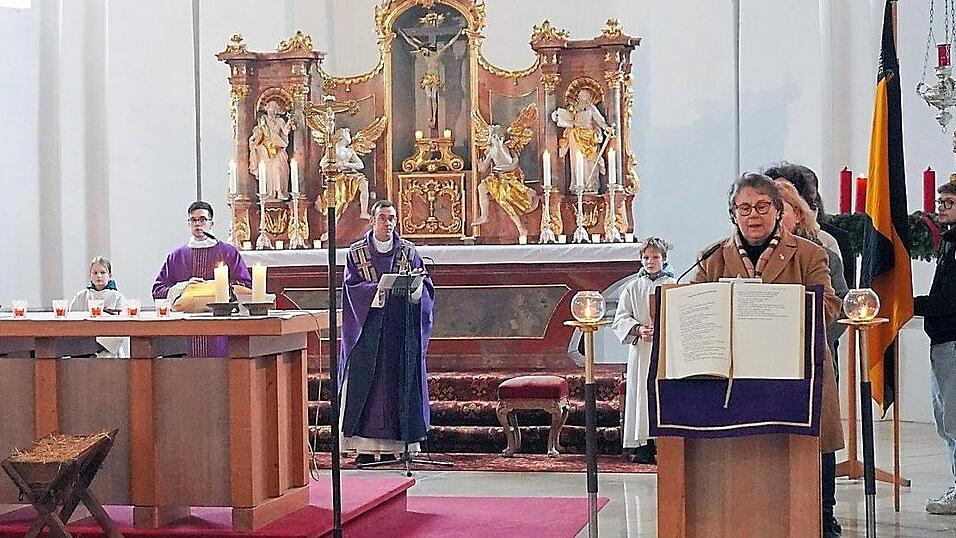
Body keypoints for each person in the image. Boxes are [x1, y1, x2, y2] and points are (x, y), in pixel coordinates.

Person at [691, 173, 844, 538]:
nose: (753, 215)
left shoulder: (810, 253)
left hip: (799, 370)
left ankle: (821, 517)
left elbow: (829, 306)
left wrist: (773, 307)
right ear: (733, 214)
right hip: (738, 375)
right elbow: (692, 305)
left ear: (778, 211)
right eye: (744, 208)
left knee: (813, 443)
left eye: (762, 206)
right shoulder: (712, 257)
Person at [339, 200, 435, 465]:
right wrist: (377, 291)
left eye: (391, 218)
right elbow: (351, 288)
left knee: (399, 382)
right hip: (368, 329)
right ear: (372, 221)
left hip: (399, 330)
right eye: (382, 218)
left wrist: (416, 288)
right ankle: (366, 448)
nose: (388, 223)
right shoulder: (357, 253)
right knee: (371, 386)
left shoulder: (408, 251)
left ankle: (401, 444)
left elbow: (425, 285)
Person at [152, 201, 252, 357]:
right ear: (189, 223)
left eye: (202, 219)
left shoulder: (228, 252)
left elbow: (245, 285)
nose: (198, 224)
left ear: (211, 223)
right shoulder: (177, 256)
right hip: (186, 329)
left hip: (220, 325)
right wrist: (184, 286)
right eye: (193, 220)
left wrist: (215, 287)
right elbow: (158, 290)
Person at [611, 237, 676, 464]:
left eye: (655, 257)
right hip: (642, 350)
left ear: (664, 259)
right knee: (641, 395)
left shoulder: (673, 285)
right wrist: (638, 329)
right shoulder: (632, 287)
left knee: (662, 394)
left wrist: (661, 330)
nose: (650, 262)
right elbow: (620, 318)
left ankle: (666, 445)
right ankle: (644, 445)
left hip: (666, 350)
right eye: (646, 257)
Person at [915, 181, 956, 514]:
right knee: (945, 417)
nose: (941, 206)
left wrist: (910, 304)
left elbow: (950, 299)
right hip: (942, 338)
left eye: (950, 201)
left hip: (954, 338)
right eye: (940, 200)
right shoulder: (949, 241)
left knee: (954, 419)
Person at [763, 162, 856, 287]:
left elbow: (837, 299)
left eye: (781, 211)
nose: (773, 218)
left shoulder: (822, 251)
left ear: (798, 211)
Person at [472, 124, 540, 237]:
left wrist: (499, 147)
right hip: (496, 177)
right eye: (492, 137)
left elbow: (510, 163)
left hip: (508, 178)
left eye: (495, 137)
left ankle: (520, 227)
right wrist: (480, 165)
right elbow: (483, 168)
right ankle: (484, 215)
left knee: (504, 199)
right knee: (481, 187)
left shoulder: (504, 147)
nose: (493, 139)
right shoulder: (492, 150)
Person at [399, 27, 465, 130]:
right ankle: (429, 117)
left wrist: (458, 33)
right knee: (428, 97)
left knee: (434, 97)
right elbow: (412, 42)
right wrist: (402, 33)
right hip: (427, 77)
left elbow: (449, 44)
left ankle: (434, 117)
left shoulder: (437, 54)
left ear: (428, 48)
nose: (422, 52)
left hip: (434, 78)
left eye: (424, 50)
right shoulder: (425, 55)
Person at [551, 87, 613, 192]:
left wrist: (607, 128)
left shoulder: (591, 108)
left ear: (589, 96)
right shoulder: (573, 108)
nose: (583, 96)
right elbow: (567, 118)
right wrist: (558, 117)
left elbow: (600, 120)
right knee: (576, 160)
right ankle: (577, 184)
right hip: (574, 136)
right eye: (581, 94)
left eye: (585, 94)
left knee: (589, 162)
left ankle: (590, 186)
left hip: (588, 137)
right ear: (578, 96)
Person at [69, 256, 128, 358]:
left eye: (102, 272)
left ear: (109, 275)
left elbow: (122, 325)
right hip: (83, 348)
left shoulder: (117, 297)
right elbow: (72, 321)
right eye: (95, 273)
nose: (99, 276)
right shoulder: (81, 296)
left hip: (109, 350)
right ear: (90, 275)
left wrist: (100, 344)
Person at [249, 100, 294, 200]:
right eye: (270, 108)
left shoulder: (280, 121)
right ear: (266, 109)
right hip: (266, 152)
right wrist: (253, 139)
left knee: (278, 169)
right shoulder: (263, 121)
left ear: (277, 110)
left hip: (278, 150)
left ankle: (280, 191)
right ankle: (270, 192)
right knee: (268, 172)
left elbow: (285, 132)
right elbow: (258, 132)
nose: (271, 111)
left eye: (274, 109)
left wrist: (290, 122)